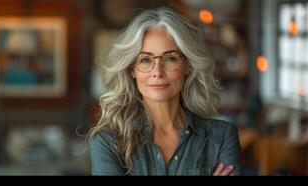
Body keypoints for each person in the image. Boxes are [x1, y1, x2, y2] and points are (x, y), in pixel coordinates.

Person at [88, 7, 242, 175]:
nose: (157, 72)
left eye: (170, 59)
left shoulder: (222, 137)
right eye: (145, 60)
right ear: (132, 69)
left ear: (187, 66)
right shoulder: (108, 142)